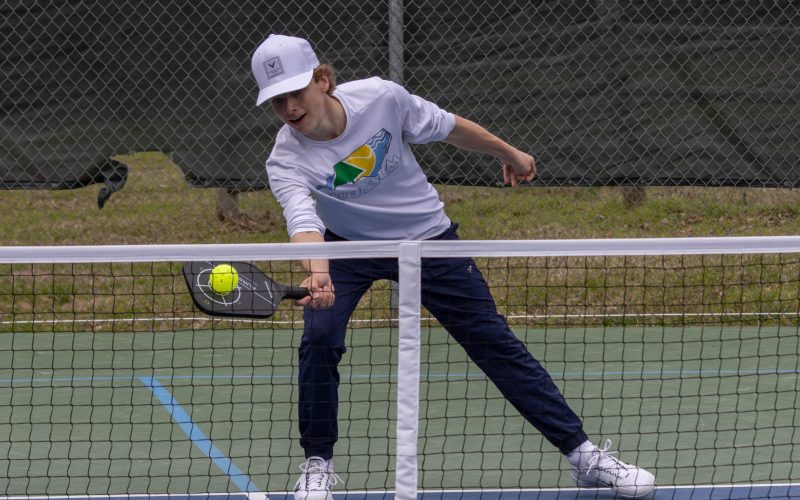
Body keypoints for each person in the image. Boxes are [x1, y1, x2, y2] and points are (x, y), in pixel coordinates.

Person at [250, 34, 656, 500]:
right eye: (277, 101)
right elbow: (302, 220)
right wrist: (318, 270)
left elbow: (448, 126)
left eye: (295, 93)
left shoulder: (383, 98)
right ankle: (318, 463)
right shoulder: (285, 158)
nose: (288, 108)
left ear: (323, 81)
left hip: (425, 236)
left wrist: (510, 153)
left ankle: (583, 456)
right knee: (319, 338)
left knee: (491, 340)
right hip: (345, 249)